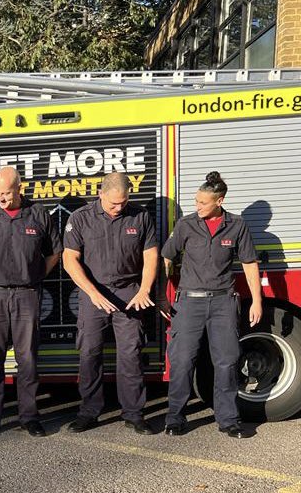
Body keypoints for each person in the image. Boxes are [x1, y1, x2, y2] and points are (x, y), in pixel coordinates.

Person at [162, 171, 262, 439]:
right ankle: (175, 418)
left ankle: (228, 420)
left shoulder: (237, 225)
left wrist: (257, 302)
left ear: (220, 201)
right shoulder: (185, 225)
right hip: (189, 303)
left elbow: (250, 263)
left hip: (223, 303)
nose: (198, 207)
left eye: (203, 203)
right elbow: (167, 258)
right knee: (182, 361)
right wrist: (165, 293)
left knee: (227, 362)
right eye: (196, 201)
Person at [0, 166, 62, 437]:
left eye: (7, 193)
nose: (2, 198)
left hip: (27, 295)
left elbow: (55, 251)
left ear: (21, 188)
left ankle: (29, 416)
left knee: (27, 358)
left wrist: (36, 274)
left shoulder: (39, 215)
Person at [62, 172, 158, 434]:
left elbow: (151, 256)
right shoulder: (80, 218)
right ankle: (89, 411)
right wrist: (92, 293)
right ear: (100, 194)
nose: (119, 208)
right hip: (94, 295)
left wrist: (145, 290)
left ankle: (134, 413)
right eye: (113, 203)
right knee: (90, 353)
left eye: (123, 202)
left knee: (131, 355)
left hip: (130, 293)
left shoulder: (140, 216)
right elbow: (69, 259)